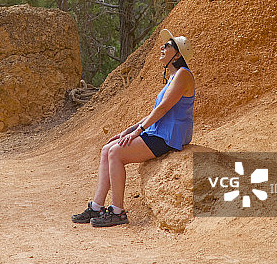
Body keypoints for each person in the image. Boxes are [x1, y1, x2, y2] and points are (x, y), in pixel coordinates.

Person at [71, 28, 195, 228]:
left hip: (169, 136)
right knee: (106, 150)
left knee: (116, 153)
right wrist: (130, 128)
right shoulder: (173, 77)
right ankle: (96, 206)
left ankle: (118, 211)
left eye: (168, 46)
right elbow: (156, 110)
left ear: (178, 54)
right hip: (158, 132)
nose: (162, 47)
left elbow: (163, 108)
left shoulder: (183, 75)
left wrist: (139, 131)